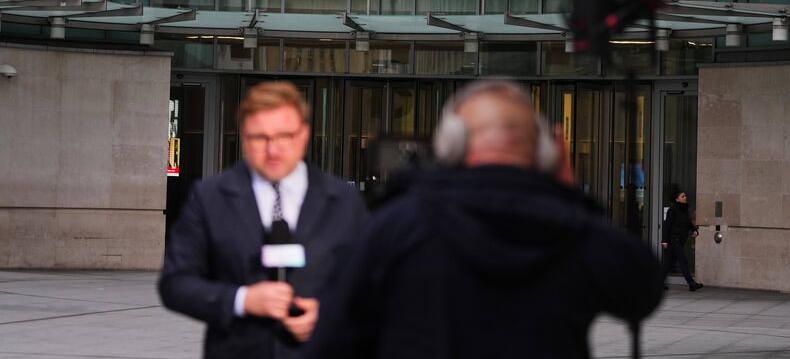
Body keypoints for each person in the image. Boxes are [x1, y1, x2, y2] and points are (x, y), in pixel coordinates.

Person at [301, 79, 664, 359]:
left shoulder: (397, 225)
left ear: (450, 145)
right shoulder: (575, 230)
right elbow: (643, 292)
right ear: (546, 152)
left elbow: (331, 341)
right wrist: (569, 193)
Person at [159, 81, 369, 359]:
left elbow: (374, 283)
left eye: (284, 136)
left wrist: (329, 313)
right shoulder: (209, 197)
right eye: (260, 138)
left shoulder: (344, 200)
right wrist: (242, 300)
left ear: (304, 134)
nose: (273, 150)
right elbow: (175, 283)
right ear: (244, 138)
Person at [661, 190, 703, 291]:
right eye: (683, 196)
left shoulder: (684, 210)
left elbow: (688, 223)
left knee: (668, 263)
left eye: (685, 196)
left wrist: (694, 230)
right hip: (674, 239)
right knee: (683, 260)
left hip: (680, 240)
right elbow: (667, 225)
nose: (685, 197)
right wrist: (664, 240)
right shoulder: (672, 210)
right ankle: (691, 283)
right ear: (677, 199)